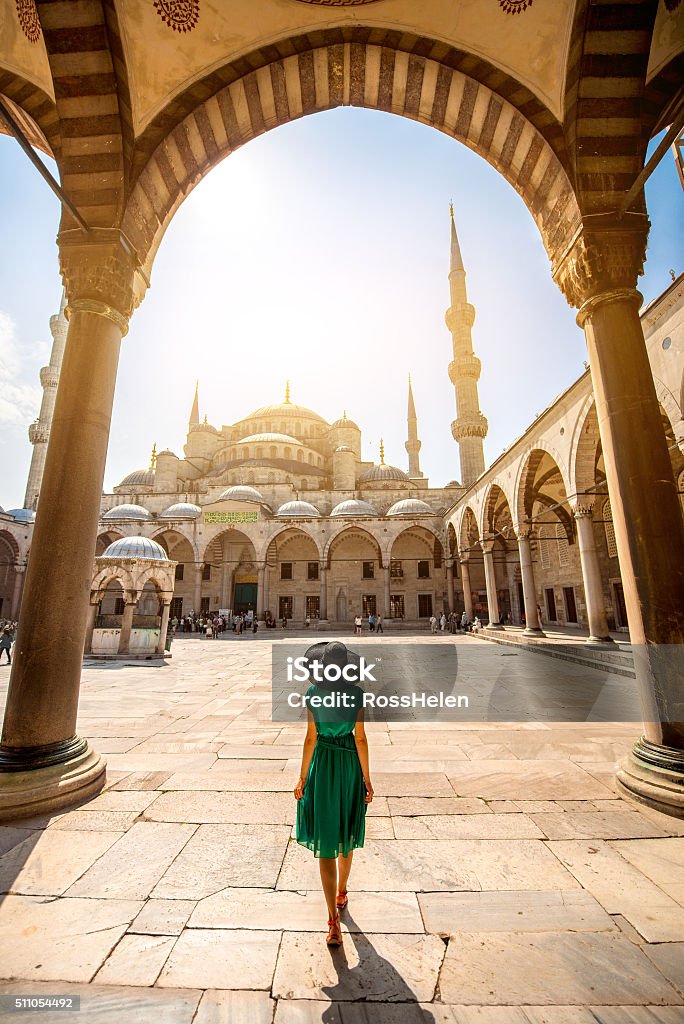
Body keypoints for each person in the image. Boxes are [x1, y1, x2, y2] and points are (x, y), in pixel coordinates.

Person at [294, 641, 373, 947]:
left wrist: (302, 778)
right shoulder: (357, 695)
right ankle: (342, 891)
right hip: (349, 764)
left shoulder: (313, 695)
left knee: (326, 840)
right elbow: (362, 738)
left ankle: (332, 922)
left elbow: (311, 737)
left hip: (323, 765)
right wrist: (367, 779)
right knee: (346, 832)